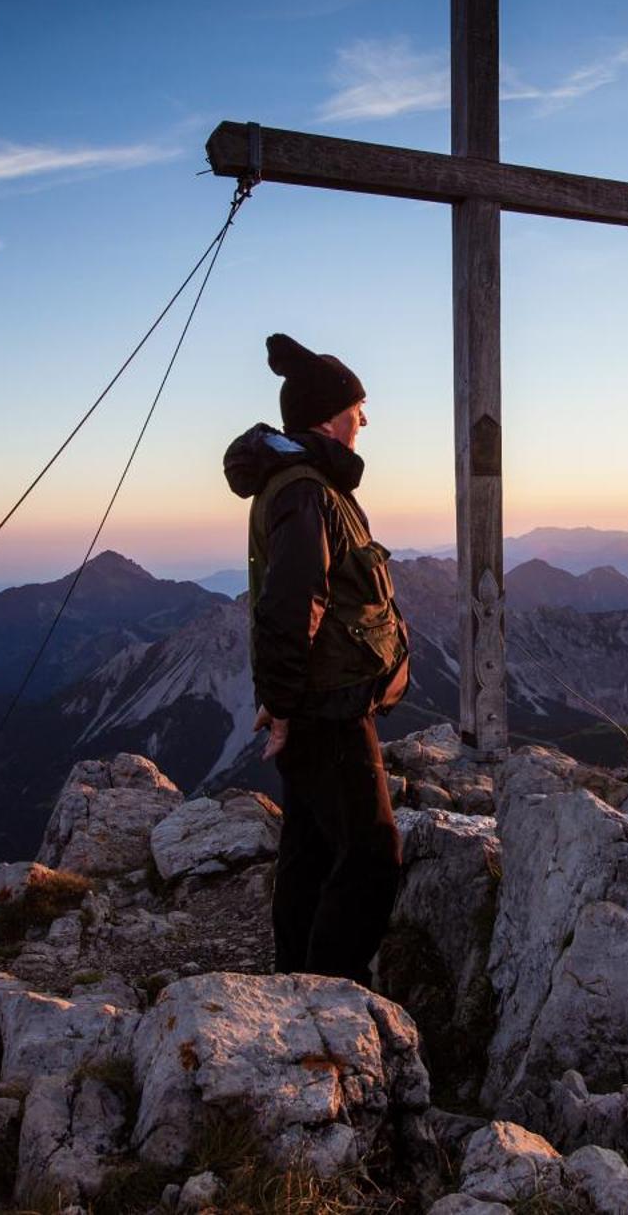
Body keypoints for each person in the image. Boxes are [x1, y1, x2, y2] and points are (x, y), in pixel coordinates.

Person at [222, 333, 410, 986]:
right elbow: (291, 604)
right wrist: (282, 706)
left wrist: (283, 702)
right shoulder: (306, 490)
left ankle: (292, 985)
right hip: (326, 708)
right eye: (360, 411)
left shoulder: (306, 485)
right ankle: (332, 996)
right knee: (371, 854)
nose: (365, 423)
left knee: (310, 848)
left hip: (319, 702)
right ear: (333, 413)